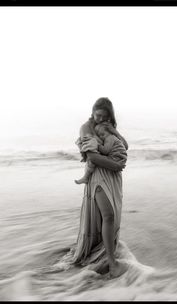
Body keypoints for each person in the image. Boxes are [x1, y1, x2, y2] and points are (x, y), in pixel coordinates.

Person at [61, 97, 128, 278]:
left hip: (113, 177)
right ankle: (112, 263)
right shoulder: (85, 128)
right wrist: (115, 164)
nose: (100, 119)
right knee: (108, 215)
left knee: (111, 217)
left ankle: (104, 255)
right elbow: (93, 157)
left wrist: (114, 131)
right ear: (92, 111)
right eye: (98, 115)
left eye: (105, 117)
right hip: (99, 175)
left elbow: (125, 146)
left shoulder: (107, 127)